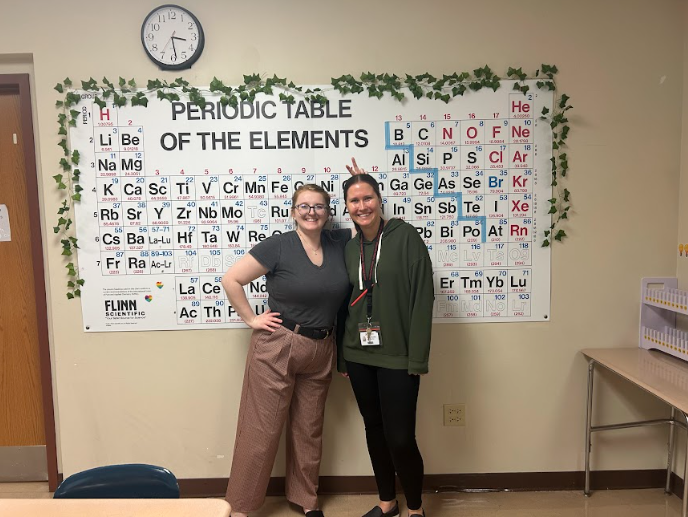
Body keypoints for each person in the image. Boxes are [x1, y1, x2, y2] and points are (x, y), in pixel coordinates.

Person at [221, 183, 352, 517]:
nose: (311, 212)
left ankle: (305, 499)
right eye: (304, 206)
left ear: (328, 213)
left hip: (321, 347)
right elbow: (231, 280)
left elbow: (370, 220)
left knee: (309, 429)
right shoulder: (278, 246)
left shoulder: (339, 243)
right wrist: (251, 318)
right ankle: (240, 506)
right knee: (261, 430)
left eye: (319, 206)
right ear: (293, 211)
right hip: (278, 345)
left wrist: (362, 181)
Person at [339, 168, 434, 517]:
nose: (362, 205)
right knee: (374, 429)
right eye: (354, 199)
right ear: (346, 206)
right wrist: (342, 359)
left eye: (368, 197)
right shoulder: (349, 248)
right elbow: (341, 301)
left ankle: (415, 507)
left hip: (398, 355)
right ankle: (387, 502)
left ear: (379, 200)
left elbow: (423, 299)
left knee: (400, 438)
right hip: (358, 353)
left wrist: (417, 359)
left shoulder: (405, 236)